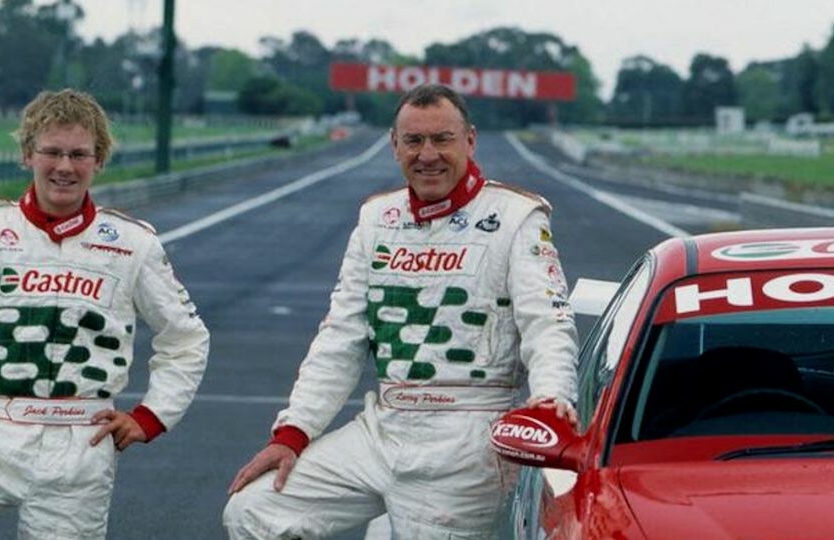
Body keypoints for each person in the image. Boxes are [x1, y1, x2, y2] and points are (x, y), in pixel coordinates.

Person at [223, 83, 578, 539]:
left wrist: (550, 401)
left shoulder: (517, 217)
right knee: (252, 512)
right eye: (413, 141)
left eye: (442, 139)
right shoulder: (377, 218)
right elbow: (341, 337)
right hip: (382, 426)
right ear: (394, 146)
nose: (427, 154)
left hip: (467, 439)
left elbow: (547, 324)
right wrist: (293, 432)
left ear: (469, 140)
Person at [0, 88, 210, 539]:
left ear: (99, 160)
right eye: (51, 152)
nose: (64, 167)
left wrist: (152, 415)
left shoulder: (133, 242)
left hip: (81, 444)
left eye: (78, 154)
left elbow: (186, 339)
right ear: (27, 155)